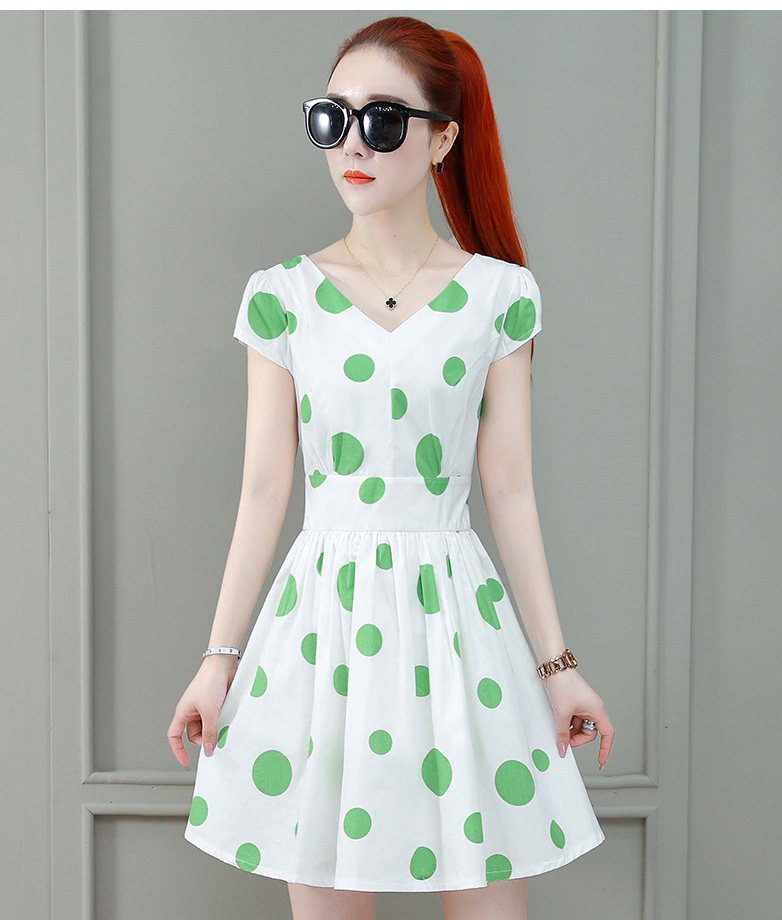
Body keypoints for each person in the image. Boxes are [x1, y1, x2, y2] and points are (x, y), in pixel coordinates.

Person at [168, 15, 614, 920]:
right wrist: (218, 661)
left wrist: (557, 664)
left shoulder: (498, 296)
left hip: (459, 630)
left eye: (382, 120)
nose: (352, 145)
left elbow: (510, 488)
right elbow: (265, 489)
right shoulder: (283, 298)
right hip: (320, 631)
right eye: (332, 118)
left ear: (443, 138)